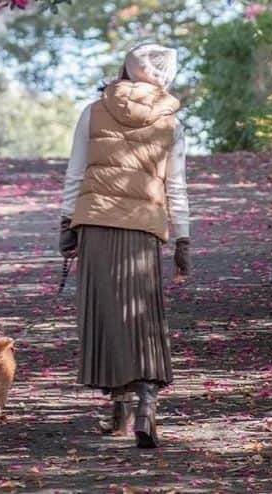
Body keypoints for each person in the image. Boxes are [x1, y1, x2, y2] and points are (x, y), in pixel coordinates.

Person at [59, 40, 191, 449]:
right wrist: (183, 237)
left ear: (126, 69)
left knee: (104, 315)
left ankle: (120, 412)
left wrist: (67, 223)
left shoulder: (93, 111)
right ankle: (144, 408)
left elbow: (76, 173)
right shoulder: (170, 121)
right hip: (143, 228)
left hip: (96, 225)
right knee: (143, 317)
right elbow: (177, 186)